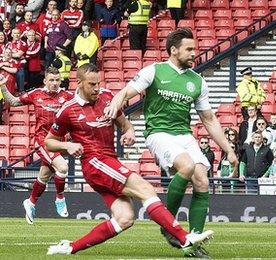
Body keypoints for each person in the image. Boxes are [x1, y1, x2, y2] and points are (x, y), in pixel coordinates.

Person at [44, 64, 212, 256]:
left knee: (125, 218)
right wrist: (68, 146)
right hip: (94, 163)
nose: (97, 88)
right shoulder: (68, 110)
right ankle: (184, 238)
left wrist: (129, 133)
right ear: (79, 83)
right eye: (92, 84)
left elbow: (125, 125)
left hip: (109, 161)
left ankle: (70, 247)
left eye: (98, 83)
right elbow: (49, 142)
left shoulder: (107, 98)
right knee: (146, 190)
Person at [104, 28, 237, 257]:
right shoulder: (154, 71)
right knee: (186, 166)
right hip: (159, 133)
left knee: (202, 180)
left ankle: (193, 242)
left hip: (183, 135)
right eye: (189, 49)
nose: (193, 53)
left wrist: (229, 150)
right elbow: (126, 92)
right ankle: (169, 224)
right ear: (174, 50)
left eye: (193, 49)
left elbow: (209, 119)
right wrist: (115, 104)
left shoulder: (197, 81)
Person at [0, 67, 73, 224]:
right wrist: (3, 86)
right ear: (45, 81)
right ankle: (60, 198)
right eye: (51, 80)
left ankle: (31, 202)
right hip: (43, 140)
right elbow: (13, 101)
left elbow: (84, 104)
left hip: (59, 141)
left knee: (44, 176)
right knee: (63, 168)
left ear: (61, 81)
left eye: (57, 80)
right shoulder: (36, 94)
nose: (54, 83)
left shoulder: (67, 96)